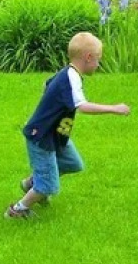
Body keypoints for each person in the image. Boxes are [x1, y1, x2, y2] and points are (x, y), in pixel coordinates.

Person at [8, 32, 131, 219]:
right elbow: (83, 106)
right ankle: (18, 210)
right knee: (49, 185)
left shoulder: (68, 73)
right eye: (98, 59)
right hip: (42, 137)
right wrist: (114, 108)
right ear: (88, 57)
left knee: (73, 163)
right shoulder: (71, 77)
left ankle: (32, 184)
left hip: (57, 134)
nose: (98, 65)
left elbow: (47, 84)